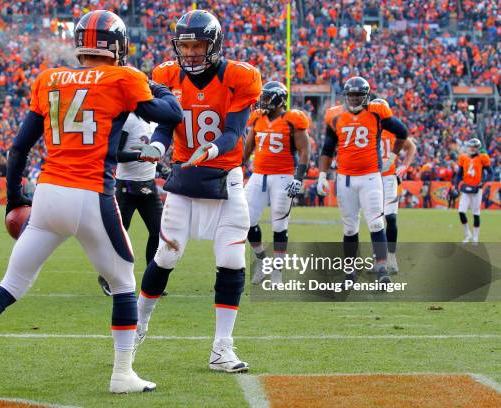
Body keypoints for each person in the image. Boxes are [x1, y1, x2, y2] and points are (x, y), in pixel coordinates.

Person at [0, 10, 182, 394]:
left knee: (11, 284)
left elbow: (18, 148)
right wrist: (151, 84)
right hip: (92, 193)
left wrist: (15, 198)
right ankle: (122, 374)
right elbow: (172, 113)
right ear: (116, 45)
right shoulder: (124, 77)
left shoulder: (49, 78)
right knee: (124, 281)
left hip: (47, 194)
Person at [132, 10, 262, 373]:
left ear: (214, 45)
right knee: (166, 256)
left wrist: (214, 149)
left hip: (226, 177)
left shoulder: (239, 77)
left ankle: (222, 347)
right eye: (185, 45)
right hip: (185, 184)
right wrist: (158, 147)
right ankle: (137, 326)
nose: (189, 52)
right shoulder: (166, 75)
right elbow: (164, 126)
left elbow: (235, 132)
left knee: (232, 261)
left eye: (197, 45)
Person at [317, 77, 408, 285]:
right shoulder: (335, 115)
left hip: (370, 177)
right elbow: (327, 148)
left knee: (376, 222)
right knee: (349, 228)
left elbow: (402, 133)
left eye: (359, 95)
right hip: (345, 178)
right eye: (351, 95)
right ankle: (350, 273)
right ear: (345, 96)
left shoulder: (377, 112)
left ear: (366, 96)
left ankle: (382, 269)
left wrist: (392, 157)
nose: (355, 99)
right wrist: (322, 174)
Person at [243, 81, 311, 284]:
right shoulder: (257, 118)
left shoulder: (293, 119)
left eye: (267, 97)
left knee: (279, 225)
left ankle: (277, 272)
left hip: (283, 176)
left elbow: (305, 151)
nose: (263, 102)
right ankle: (263, 262)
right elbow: (248, 148)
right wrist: (237, 167)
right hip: (258, 175)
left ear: (279, 99)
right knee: (246, 220)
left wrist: (299, 178)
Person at [97, 113, 166, 297]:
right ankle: (107, 277)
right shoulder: (129, 120)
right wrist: (140, 155)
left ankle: (151, 281)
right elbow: (115, 154)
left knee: (158, 231)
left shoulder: (153, 121)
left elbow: (150, 155)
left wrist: (160, 168)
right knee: (119, 232)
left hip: (148, 185)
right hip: (127, 185)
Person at [373, 99, 417, 274]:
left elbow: (411, 147)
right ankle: (379, 258)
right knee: (375, 220)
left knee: (390, 218)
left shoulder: (392, 130)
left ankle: (391, 257)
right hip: (371, 178)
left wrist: (404, 166)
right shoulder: (368, 129)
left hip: (389, 178)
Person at [454, 138, 492, 243]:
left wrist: (483, 182)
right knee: (461, 211)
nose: (472, 148)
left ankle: (475, 237)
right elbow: (459, 174)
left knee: (476, 212)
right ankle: (467, 234)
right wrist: (456, 185)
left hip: (477, 188)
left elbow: (490, 172)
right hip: (466, 187)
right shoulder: (463, 158)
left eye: (474, 146)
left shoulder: (483, 157)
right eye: (470, 146)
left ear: (478, 148)